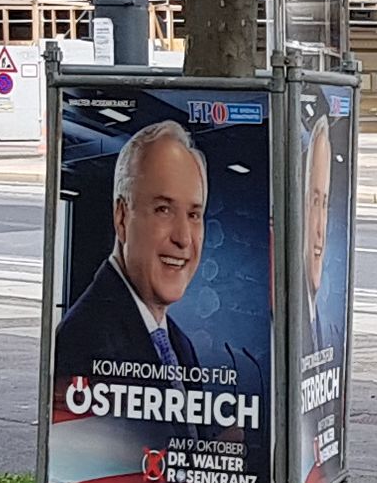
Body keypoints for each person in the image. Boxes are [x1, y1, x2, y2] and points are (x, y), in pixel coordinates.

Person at [53, 119, 244, 385]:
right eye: (163, 209)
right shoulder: (86, 341)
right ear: (122, 218)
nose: (183, 238)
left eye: (193, 214)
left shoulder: (179, 344)